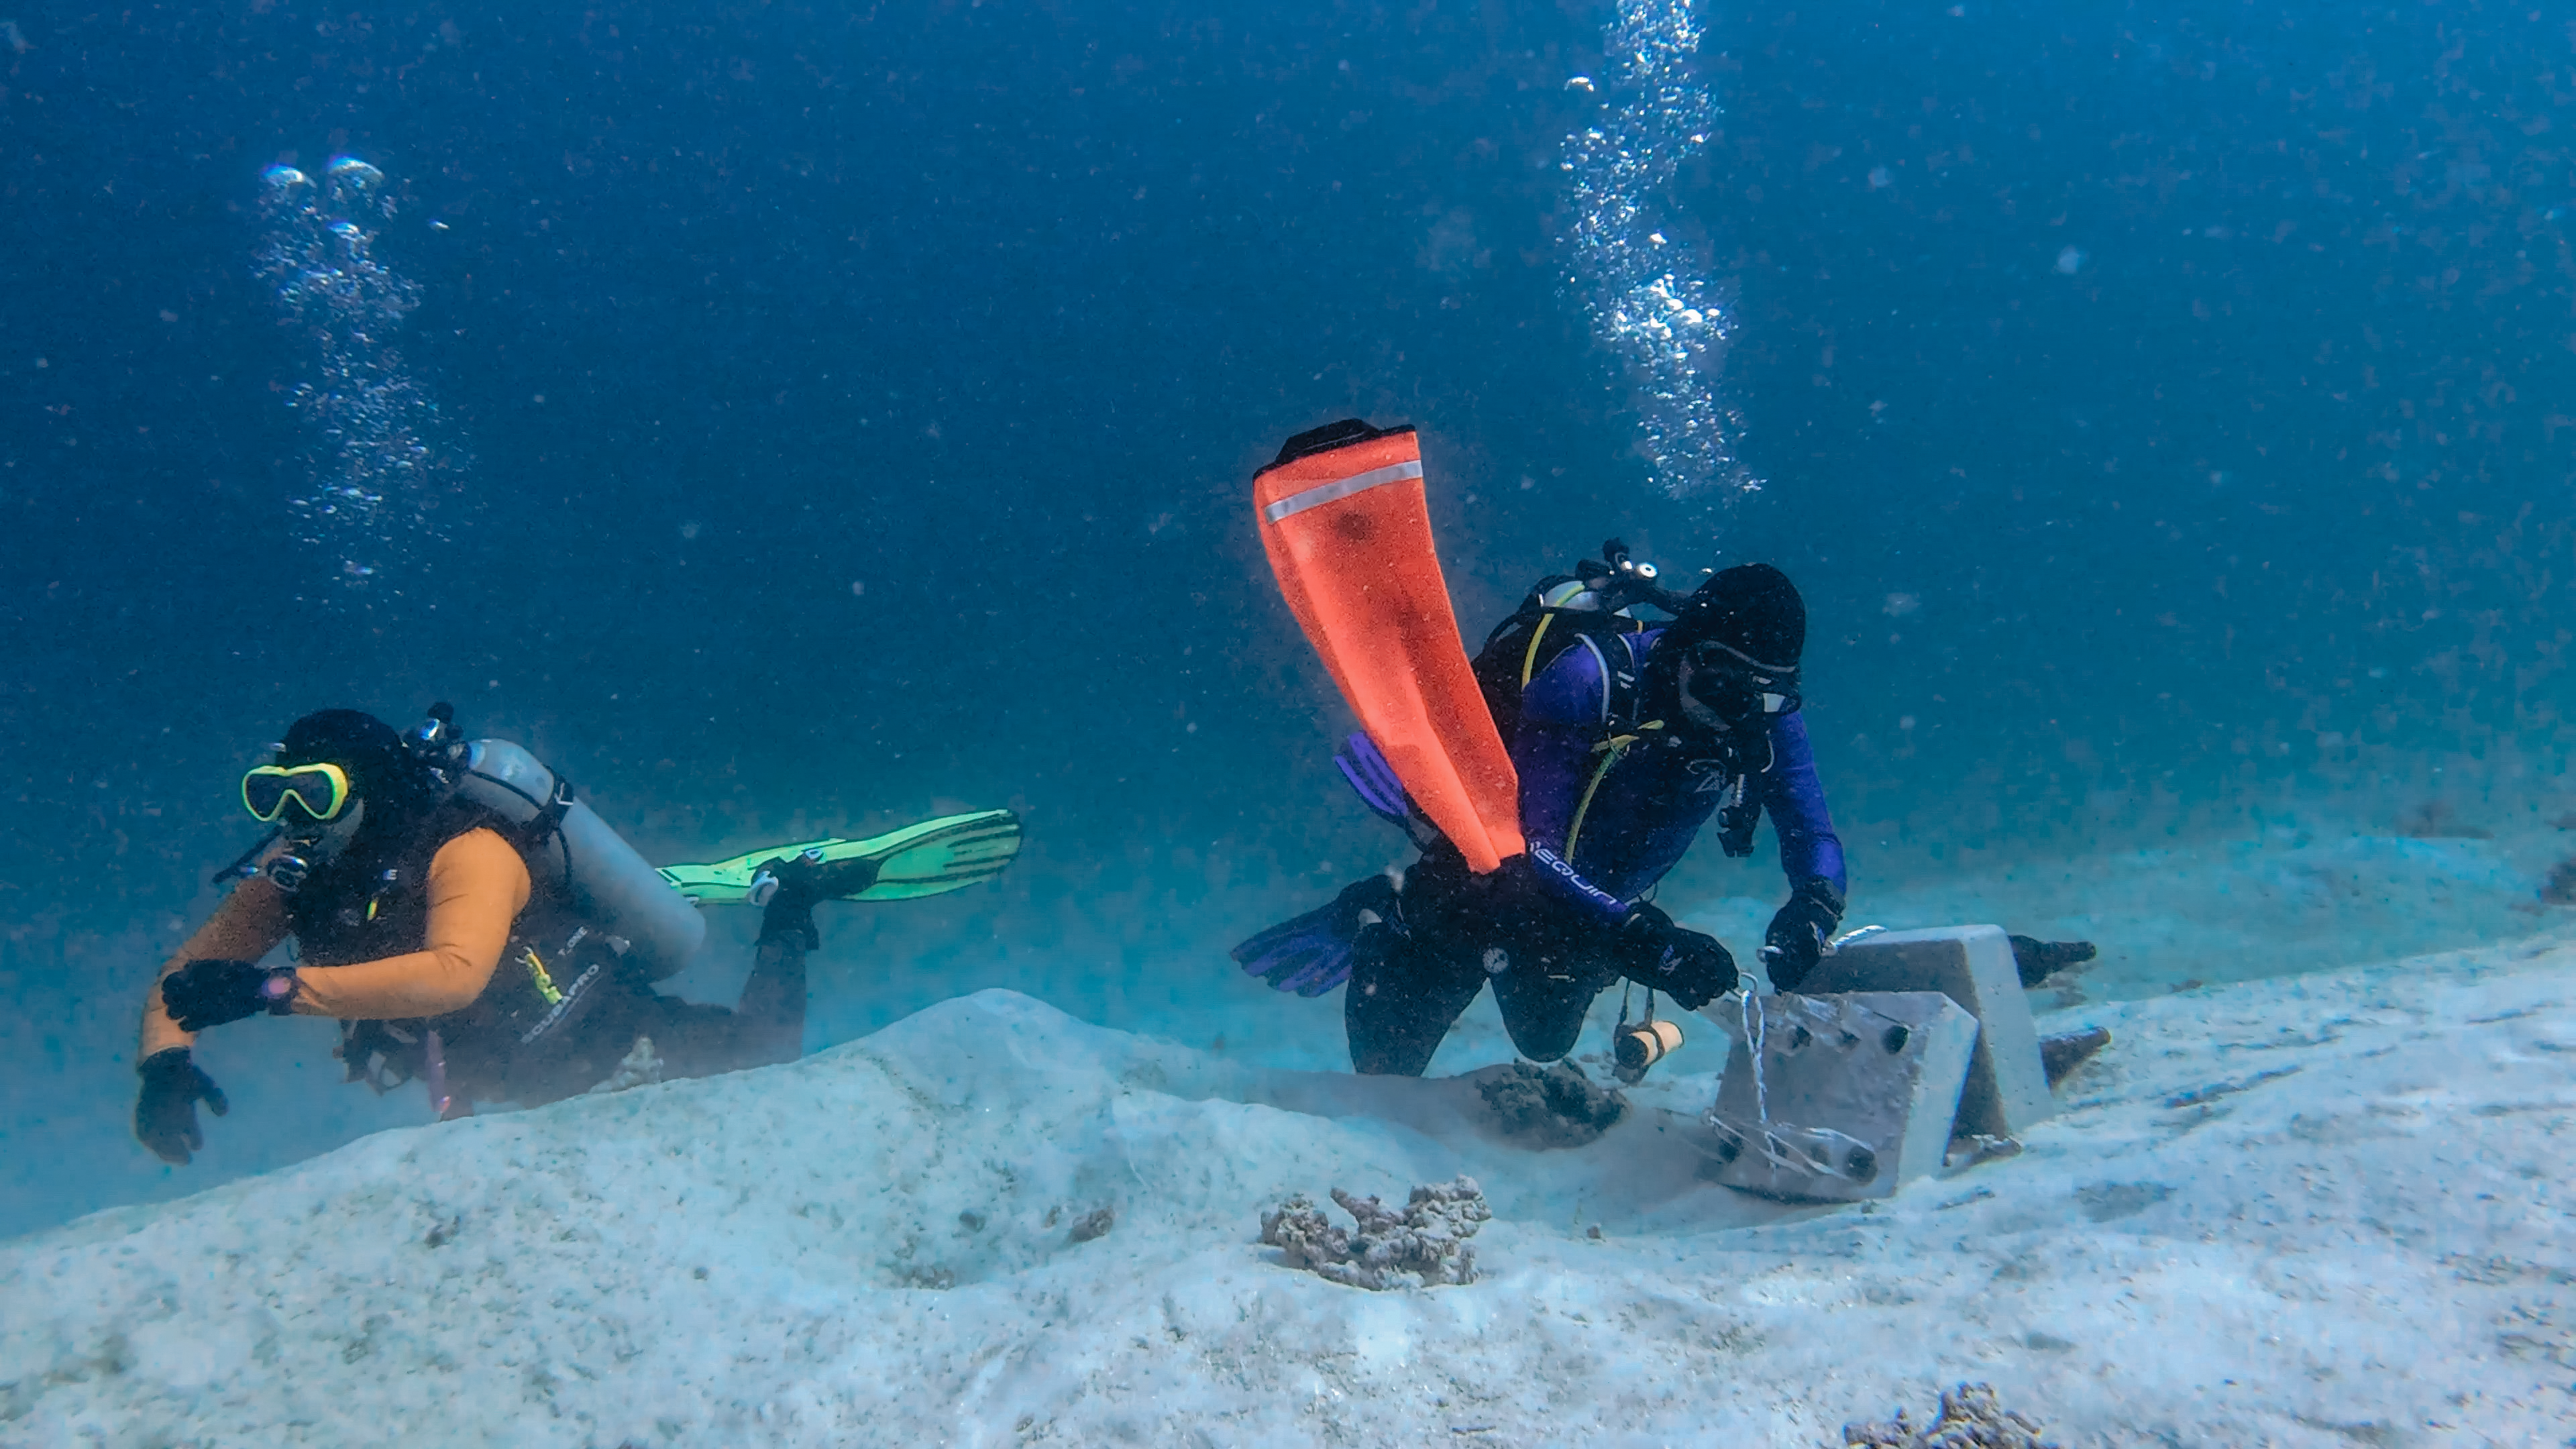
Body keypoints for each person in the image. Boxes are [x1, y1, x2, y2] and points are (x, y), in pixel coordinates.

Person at [1238, 548, 2101, 1078]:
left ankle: (1553, 954)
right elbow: (1533, 852)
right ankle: (1380, 911)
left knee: (1543, 1040)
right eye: (1725, 688)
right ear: (1685, 653)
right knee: (1388, 1070)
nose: (1738, 717)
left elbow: (1811, 831)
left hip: (1601, 914)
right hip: (1494, 885)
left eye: (1762, 701)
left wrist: (1812, 908)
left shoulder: (1760, 720)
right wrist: (1650, 939)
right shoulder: (1586, 684)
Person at [135, 708, 1007, 1165]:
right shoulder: (299, 877)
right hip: (494, 1074)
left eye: (314, 796)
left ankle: (792, 901)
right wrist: (165, 1065)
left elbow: (454, 976)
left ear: (364, 788)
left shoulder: (470, 848)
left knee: (768, 1053)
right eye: (270, 796)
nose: (292, 821)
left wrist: (271, 992)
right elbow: (190, 972)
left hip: (609, 1036)